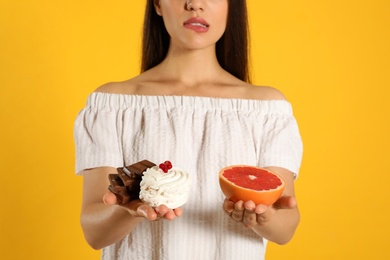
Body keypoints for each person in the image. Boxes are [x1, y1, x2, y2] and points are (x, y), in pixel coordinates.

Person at [74, 0, 303, 259]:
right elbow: (94, 233)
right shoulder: (111, 104)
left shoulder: (266, 109)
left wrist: (264, 218)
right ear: (158, 5)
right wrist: (128, 209)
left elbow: (286, 228)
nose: (195, 4)